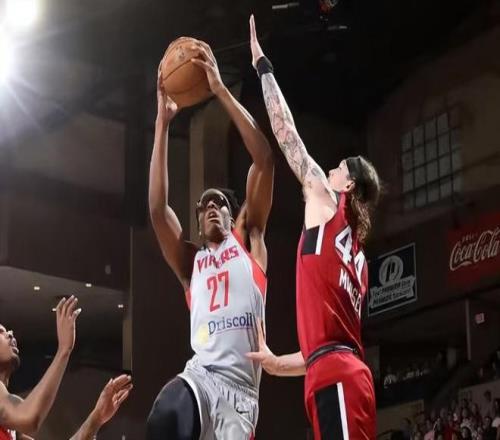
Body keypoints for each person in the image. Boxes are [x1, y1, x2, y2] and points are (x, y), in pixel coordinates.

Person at [246, 15, 381, 440]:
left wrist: (263, 67)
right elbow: (322, 348)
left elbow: (287, 133)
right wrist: (274, 363)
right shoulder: (360, 261)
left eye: (339, 168)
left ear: (348, 185)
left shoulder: (326, 200)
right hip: (345, 374)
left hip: (336, 376)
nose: (330, 170)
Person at [147, 39, 274, 440]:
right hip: (201, 377)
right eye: (204, 205)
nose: (212, 206)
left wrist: (218, 89)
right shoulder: (192, 264)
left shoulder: (249, 239)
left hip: (240, 395)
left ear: (233, 214)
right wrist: (162, 124)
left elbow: (264, 160)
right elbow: (157, 210)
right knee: (166, 415)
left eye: (220, 202)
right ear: (199, 223)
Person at [0, 297, 131, 439]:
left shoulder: (13, 428)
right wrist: (63, 349)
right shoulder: (17, 414)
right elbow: (29, 418)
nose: (10, 334)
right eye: (0, 332)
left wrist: (97, 417)